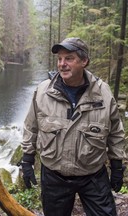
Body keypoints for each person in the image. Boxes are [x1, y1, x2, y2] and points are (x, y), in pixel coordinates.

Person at [21, 37, 126, 216]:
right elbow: (31, 127)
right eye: (60, 59)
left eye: (69, 58)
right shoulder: (43, 92)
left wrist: (117, 166)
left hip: (92, 174)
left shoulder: (103, 93)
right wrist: (27, 160)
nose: (62, 64)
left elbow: (115, 132)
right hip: (54, 176)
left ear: (84, 61)